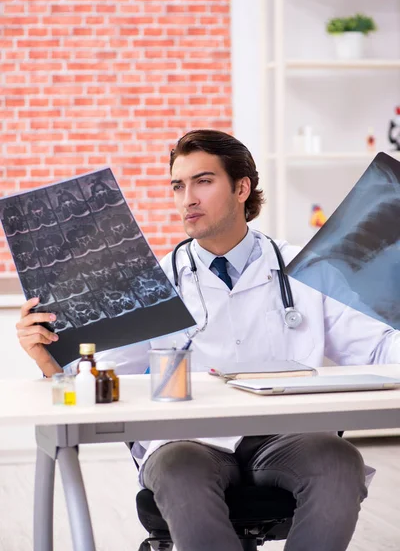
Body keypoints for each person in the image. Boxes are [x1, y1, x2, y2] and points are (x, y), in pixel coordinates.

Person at [16, 130, 400, 551]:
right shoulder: (152, 282)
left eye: (202, 181)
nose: (187, 199)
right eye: (178, 186)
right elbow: (99, 376)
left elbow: (382, 351)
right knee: (179, 467)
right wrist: (48, 359)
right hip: (187, 439)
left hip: (288, 437)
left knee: (338, 461)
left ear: (241, 188)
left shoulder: (307, 269)